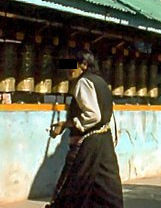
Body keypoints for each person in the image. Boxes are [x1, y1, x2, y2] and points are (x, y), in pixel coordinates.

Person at [48, 49, 123, 208]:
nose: (68, 70)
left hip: (89, 144)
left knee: (74, 185)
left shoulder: (83, 82)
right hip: (104, 142)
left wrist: (64, 124)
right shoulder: (101, 81)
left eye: (71, 64)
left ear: (83, 64)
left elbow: (93, 115)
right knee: (104, 188)